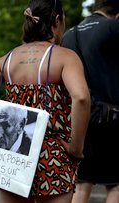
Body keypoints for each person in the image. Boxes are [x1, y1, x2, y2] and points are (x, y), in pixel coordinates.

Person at [0, 0, 91, 202]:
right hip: (53, 154)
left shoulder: (9, 58)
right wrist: (75, 147)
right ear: (57, 21)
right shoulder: (65, 57)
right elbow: (81, 97)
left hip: (13, 155)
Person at [61, 0, 119, 202]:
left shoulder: (69, 34)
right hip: (111, 116)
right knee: (115, 184)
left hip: (78, 114)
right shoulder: (112, 27)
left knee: (82, 182)